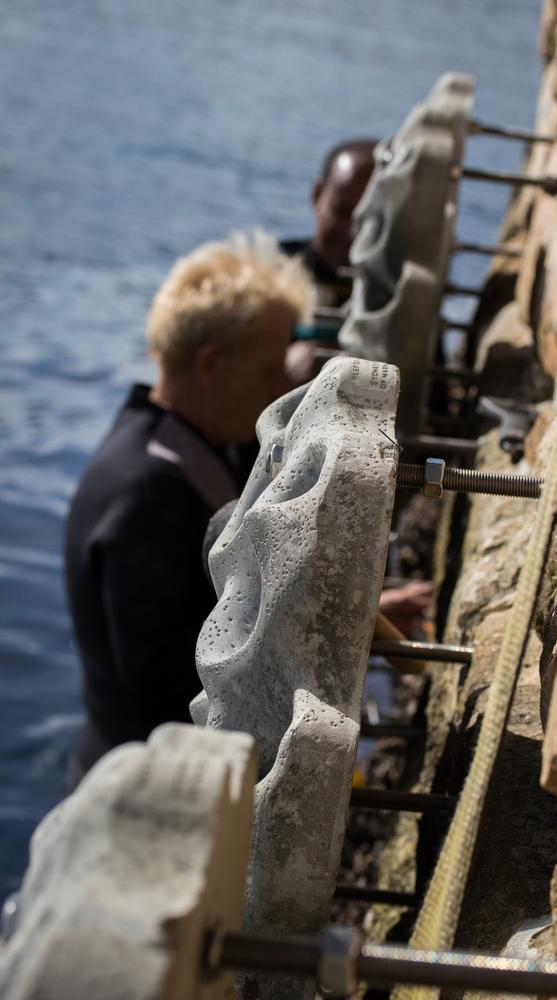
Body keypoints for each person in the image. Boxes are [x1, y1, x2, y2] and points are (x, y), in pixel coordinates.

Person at [65, 232, 314, 781]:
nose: (279, 391)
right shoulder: (147, 496)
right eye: (270, 370)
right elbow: (165, 686)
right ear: (211, 365)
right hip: (140, 797)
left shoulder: (157, 441)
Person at [284, 138, 377, 387]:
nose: (352, 232)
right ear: (317, 195)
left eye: (368, 221)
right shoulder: (267, 272)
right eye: (342, 211)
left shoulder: (399, 295)